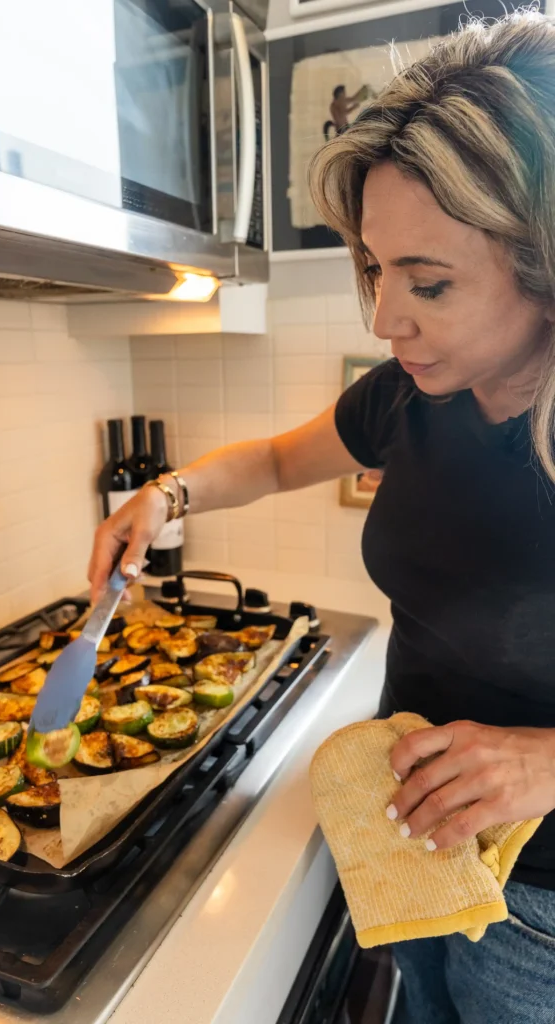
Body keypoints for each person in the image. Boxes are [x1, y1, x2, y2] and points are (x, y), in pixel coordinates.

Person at [89, 12, 555, 1022]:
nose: (386, 319)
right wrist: (163, 496)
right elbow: (269, 459)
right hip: (408, 837)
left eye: (428, 282)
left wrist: (548, 761)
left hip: (544, 912)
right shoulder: (409, 398)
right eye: (377, 270)